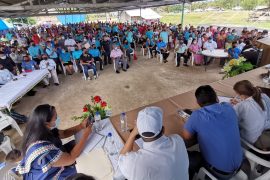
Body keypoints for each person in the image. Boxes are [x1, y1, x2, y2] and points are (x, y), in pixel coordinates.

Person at [181, 85, 243, 179]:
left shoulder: (197, 115)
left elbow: (186, 136)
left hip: (219, 172)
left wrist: (188, 122)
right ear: (216, 97)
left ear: (198, 102)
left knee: (187, 157)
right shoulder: (228, 107)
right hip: (240, 164)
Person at [16, 104, 92, 179]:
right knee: (85, 167)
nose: (57, 119)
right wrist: (85, 135)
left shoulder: (40, 128)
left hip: (55, 160)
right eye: (55, 118)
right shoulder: (43, 149)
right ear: (46, 123)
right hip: (50, 175)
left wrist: (81, 126)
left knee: (79, 145)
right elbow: (71, 159)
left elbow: (64, 133)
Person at [118, 107, 189, 180]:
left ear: (139, 133)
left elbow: (121, 158)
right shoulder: (177, 139)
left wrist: (132, 134)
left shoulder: (133, 162)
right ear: (163, 130)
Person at [232, 80, 270, 150]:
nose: (236, 96)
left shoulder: (241, 106)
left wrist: (235, 105)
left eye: (237, 94)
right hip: (261, 131)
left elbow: (232, 121)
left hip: (251, 139)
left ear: (242, 95)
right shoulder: (261, 97)